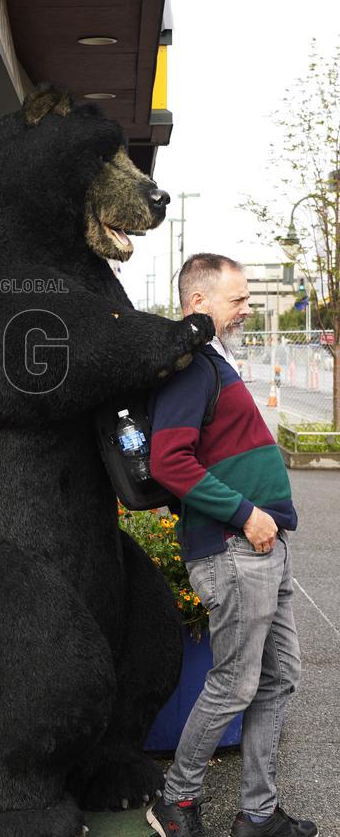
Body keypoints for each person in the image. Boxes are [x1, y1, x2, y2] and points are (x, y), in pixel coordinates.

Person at [145, 254, 317, 837]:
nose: (247, 309)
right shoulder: (190, 367)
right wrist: (246, 515)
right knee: (235, 683)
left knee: (279, 677)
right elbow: (168, 460)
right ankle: (176, 799)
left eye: (247, 298)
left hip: (261, 547)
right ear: (199, 303)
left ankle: (258, 815)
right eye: (238, 300)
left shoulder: (216, 363)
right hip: (234, 549)